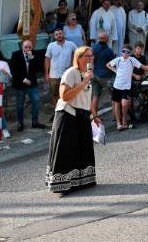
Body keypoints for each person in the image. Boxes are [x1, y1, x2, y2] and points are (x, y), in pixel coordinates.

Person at [46, 45, 99, 196]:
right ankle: (62, 184)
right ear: (79, 58)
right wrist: (83, 82)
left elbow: (87, 98)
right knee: (67, 149)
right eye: (87, 56)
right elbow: (64, 96)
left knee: (82, 148)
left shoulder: (87, 74)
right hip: (67, 113)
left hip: (82, 114)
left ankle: (81, 181)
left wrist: (94, 115)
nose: (90, 58)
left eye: (91, 56)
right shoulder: (71, 73)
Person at [11, 40, 47, 132]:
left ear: (32, 47)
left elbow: (39, 68)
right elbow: (13, 70)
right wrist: (23, 79)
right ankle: (20, 123)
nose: (27, 49)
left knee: (36, 101)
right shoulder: (16, 54)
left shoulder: (34, 54)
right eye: (25, 47)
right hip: (19, 84)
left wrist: (32, 58)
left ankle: (35, 122)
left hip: (32, 84)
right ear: (22, 47)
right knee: (20, 105)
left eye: (29, 47)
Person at [106, 44, 142, 130]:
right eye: (123, 51)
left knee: (125, 104)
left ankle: (124, 122)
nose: (125, 53)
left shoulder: (132, 60)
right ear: (121, 52)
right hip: (117, 86)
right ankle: (119, 124)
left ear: (130, 53)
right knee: (117, 104)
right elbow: (108, 64)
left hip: (126, 87)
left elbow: (143, 66)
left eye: (127, 52)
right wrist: (115, 71)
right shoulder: (118, 59)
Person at [45, 28, 78, 118]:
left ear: (63, 34)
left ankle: (67, 112)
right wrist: (46, 74)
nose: (59, 35)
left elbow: (78, 54)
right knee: (54, 95)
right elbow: (47, 59)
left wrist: (74, 66)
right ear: (54, 36)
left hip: (66, 75)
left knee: (66, 94)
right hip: (53, 75)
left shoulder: (71, 44)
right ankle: (58, 112)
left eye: (60, 33)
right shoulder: (51, 46)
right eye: (56, 34)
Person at [90, 31, 116, 119]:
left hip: (94, 75)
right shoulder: (109, 50)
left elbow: (90, 62)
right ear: (106, 39)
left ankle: (94, 116)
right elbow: (112, 64)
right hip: (105, 76)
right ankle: (115, 116)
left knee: (95, 95)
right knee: (114, 95)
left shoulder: (93, 49)